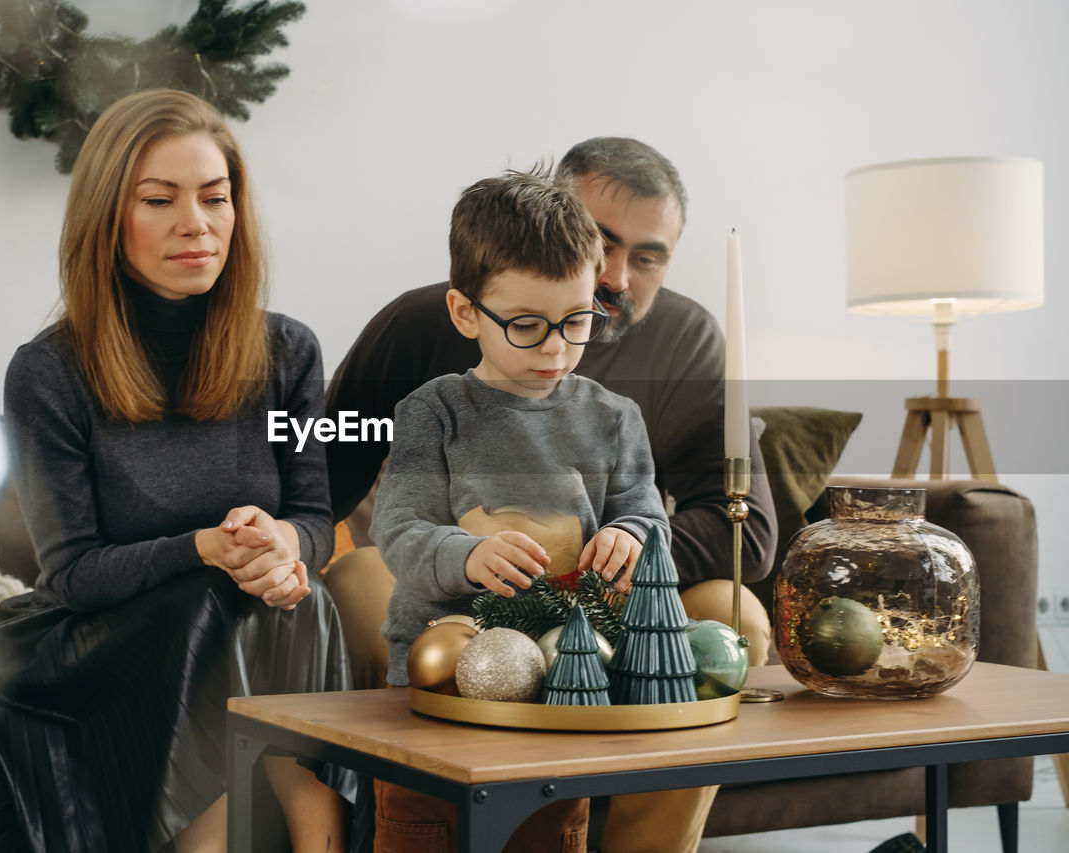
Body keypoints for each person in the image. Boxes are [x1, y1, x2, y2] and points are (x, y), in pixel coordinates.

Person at [323, 138, 778, 853]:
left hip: (587, 606)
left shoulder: (653, 371)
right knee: (364, 586)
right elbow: (337, 484)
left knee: (733, 612)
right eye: (607, 243)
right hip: (455, 597)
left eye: (648, 257)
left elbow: (729, 524)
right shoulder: (426, 358)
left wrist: (627, 547)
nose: (616, 279)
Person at [0, 89, 351, 853]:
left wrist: (284, 544)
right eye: (160, 200)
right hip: (88, 641)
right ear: (108, 218)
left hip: (239, 623)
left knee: (295, 594)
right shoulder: (47, 372)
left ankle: (315, 826)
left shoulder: (290, 352)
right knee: (218, 595)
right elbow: (72, 574)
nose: (196, 223)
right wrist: (205, 548)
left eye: (215, 198)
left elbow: (317, 519)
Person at [370, 169, 671, 852]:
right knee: (424, 826)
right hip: (439, 680)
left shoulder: (614, 417)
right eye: (527, 325)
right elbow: (399, 528)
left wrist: (631, 535)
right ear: (465, 313)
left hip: (567, 676)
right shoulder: (433, 412)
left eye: (577, 321)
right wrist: (467, 555)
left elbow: (647, 514)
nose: (556, 347)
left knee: (547, 829)